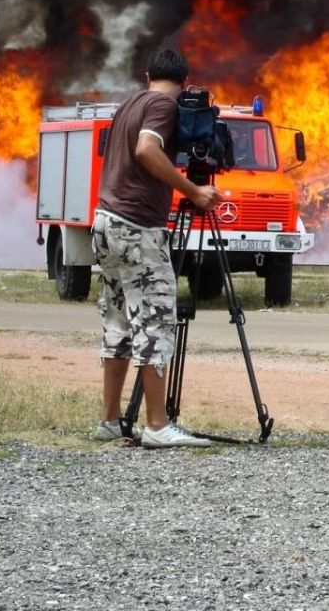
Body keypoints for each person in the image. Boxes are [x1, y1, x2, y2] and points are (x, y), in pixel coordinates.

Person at [92, 48, 221, 448]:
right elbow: (146, 150)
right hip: (136, 227)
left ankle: (111, 421)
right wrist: (195, 191)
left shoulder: (129, 103)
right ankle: (158, 426)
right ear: (186, 81)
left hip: (105, 222)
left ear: (147, 73)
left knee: (117, 323)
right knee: (155, 321)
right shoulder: (164, 106)